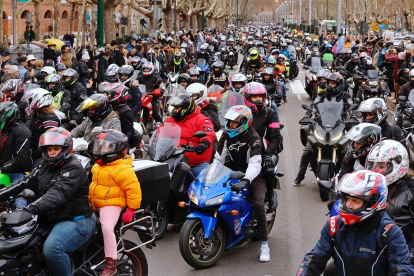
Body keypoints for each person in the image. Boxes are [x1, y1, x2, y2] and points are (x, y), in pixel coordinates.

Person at [0, 127, 95, 276]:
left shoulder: (73, 168)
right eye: (49, 149)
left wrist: (29, 210)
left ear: (65, 149)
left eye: (56, 149)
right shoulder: (45, 164)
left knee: (52, 249)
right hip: (51, 216)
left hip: (76, 220)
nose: (52, 153)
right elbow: (25, 182)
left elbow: (57, 194)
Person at [297, 170, 414, 276]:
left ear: (373, 202)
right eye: (347, 199)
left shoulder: (390, 232)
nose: (348, 205)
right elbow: (315, 259)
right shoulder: (334, 225)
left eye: (355, 201)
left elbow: (402, 271)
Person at [212, 105, 271, 262]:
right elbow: (218, 159)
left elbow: (255, 163)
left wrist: (246, 180)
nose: (230, 125)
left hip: (254, 174)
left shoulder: (254, 137)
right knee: (219, 196)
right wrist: (211, 176)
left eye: (234, 123)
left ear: (244, 122)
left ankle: (265, 245)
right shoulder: (226, 135)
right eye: (229, 122)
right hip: (233, 171)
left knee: (258, 203)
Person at [89, 129, 141, 276]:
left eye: (105, 147)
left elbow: (134, 190)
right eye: (100, 146)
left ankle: (111, 264)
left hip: (112, 203)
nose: (101, 149)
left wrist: (132, 209)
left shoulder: (123, 169)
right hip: (97, 202)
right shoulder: (99, 166)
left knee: (106, 227)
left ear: (117, 148)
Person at [294, 73, 356, 185]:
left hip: (339, 126)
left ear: (339, 84)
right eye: (329, 83)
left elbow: (352, 110)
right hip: (322, 125)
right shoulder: (322, 94)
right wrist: (308, 115)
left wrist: (353, 117)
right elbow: (313, 105)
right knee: (308, 150)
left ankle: (348, 175)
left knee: (348, 151)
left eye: (333, 83)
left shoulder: (346, 96)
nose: (331, 85)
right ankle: (300, 174)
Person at [243, 82, 283, 211]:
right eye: (254, 97)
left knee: (268, 168)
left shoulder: (270, 113)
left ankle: (270, 192)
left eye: (260, 96)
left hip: (266, 150)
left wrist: (268, 155)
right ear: (247, 98)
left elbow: (276, 137)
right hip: (245, 150)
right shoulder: (241, 112)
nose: (258, 100)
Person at [365, 140, 414, 244]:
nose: (375, 170)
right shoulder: (367, 186)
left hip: (401, 252)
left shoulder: (411, 189)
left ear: (397, 166)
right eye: (373, 165)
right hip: (372, 250)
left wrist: (410, 254)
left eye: (381, 166)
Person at [165, 93, 215, 177]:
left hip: (196, 163)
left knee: (203, 185)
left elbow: (209, 133)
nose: (175, 110)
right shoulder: (170, 120)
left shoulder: (202, 119)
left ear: (186, 108)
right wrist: (155, 141)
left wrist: (204, 143)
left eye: (177, 108)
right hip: (173, 160)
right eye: (174, 108)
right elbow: (161, 133)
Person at [24, 88, 61, 162]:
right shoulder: (37, 114)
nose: (29, 103)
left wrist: (33, 155)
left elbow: (51, 140)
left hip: (44, 155)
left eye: (31, 100)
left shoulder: (49, 117)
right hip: (33, 150)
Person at [0, 102, 32, 183]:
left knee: (17, 195)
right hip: (4, 169)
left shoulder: (22, 131)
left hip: (18, 173)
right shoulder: (6, 129)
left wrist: (3, 169)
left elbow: (21, 158)